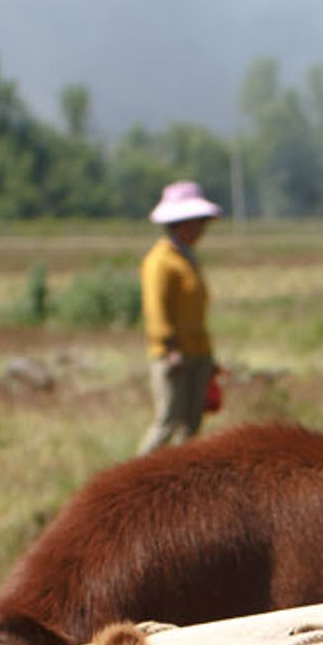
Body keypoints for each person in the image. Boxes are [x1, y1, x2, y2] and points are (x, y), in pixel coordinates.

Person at [138, 180, 223, 452]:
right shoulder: (160, 260)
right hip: (173, 354)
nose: (201, 228)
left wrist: (207, 356)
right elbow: (156, 308)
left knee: (190, 426)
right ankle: (136, 481)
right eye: (196, 222)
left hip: (197, 351)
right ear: (179, 223)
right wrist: (169, 347)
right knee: (168, 422)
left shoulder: (187, 258)